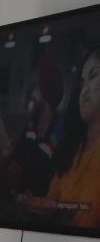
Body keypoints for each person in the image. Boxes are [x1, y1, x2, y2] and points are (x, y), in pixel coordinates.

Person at [45, 46, 100, 227]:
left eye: (93, 76)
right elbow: (49, 204)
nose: (84, 91)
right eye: (82, 83)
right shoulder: (70, 149)